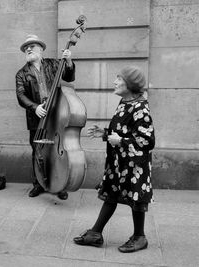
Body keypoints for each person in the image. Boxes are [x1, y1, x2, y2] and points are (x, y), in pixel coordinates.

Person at [73, 66, 155, 253]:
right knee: (111, 194)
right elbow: (124, 130)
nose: (115, 82)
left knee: (137, 198)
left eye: (119, 79)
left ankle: (140, 237)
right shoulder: (124, 102)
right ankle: (95, 233)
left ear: (130, 84)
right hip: (118, 162)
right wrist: (106, 133)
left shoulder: (141, 107)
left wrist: (122, 141)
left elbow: (147, 141)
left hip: (135, 165)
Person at [15, 34, 76, 200]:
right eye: (26, 48)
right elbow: (21, 95)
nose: (28, 49)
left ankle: (59, 184)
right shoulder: (21, 74)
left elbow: (69, 77)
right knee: (38, 152)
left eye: (32, 46)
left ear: (41, 49)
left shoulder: (54, 64)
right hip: (37, 119)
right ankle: (38, 184)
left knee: (56, 152)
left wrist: (69, 62)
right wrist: (35, 108)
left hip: (56, 116)